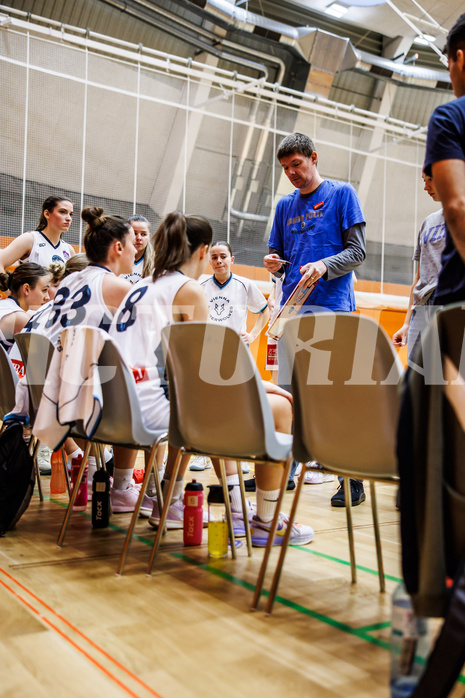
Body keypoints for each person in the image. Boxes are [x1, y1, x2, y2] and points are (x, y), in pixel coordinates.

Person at [110, 211, 314, 547]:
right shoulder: (188, 289)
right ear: (204, 251)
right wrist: (258, 384)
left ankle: (173, 503)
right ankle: (265, 520)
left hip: (120, 405)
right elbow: (204, 375)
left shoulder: (141, 284)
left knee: (200, 405)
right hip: (154, 409)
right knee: (277, 406)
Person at [16, 207, 148, 513]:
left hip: (47, 396)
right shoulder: (119, 287)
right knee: (150, 392)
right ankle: (128, 487)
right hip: (77, 402)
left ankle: (93, 472)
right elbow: (147, 346)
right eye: (132, 243)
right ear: (118, 248)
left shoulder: (68, 283)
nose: (135, 249)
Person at [264, 132, 367, 507]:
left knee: (334, 398)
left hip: (332, 309)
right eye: (285, 168)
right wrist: (273, 263)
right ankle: (284, 470)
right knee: (289, 397)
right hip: (292, 312)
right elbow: (277, 254)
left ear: (313, 158)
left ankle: (351, 478)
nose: (291, 173)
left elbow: (358, 252)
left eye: (297, 164)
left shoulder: (343, 195)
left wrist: (325, 265)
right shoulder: (284, 206)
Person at [192, 241, 269, 473]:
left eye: (223, 256)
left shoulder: (245, 285)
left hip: (236, 353)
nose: (218, 261)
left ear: (232, 259)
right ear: (209, 261)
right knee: (207, 405)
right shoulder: (200, 285)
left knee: (238, 405)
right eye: (214, 257)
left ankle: (239, 453)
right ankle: (204, 453)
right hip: (209, 353)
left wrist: (253, 335)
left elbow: (264, 311)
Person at [424, 14, 465, 307]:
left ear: (459, 59)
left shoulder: (450, 117)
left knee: (438, 356)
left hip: (458, 297)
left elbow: (457, 206)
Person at [392, 172, 446, 361]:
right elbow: (419, 277)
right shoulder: (428, 222)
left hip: (451, 306)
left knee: (449, 379)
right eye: (424, 181)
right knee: (416, 380)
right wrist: (407, 324)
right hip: (422, 310)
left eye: (430, 179)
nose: (426, 187)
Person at [0, 196, 74, 273]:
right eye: (62, 212)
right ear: (47, 214)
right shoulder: (30, 239)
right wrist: (5, 284)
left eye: (71, 214)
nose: (69, 218)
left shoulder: (69, 250)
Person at [0, 263, 51, 354]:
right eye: (44, 290)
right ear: (26, 289)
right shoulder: (20, 318)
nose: (47, 297)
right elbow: (41, 353)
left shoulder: (4, 304)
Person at [120, 214, 155, 284]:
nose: (139, 238)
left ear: (149, 237)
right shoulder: (117, 258)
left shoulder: (156, 262)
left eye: (143, 234)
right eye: (135, 233)